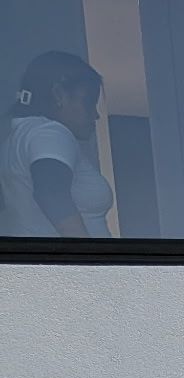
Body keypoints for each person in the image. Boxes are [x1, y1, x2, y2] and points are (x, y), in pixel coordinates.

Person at [0, 51, 114, 238]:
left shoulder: (19, 137)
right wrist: (88, 259)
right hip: (75, 265)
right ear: (59, 94)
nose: (96, 115)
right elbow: (50, 192)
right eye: (89, 102)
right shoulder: (49, 133)